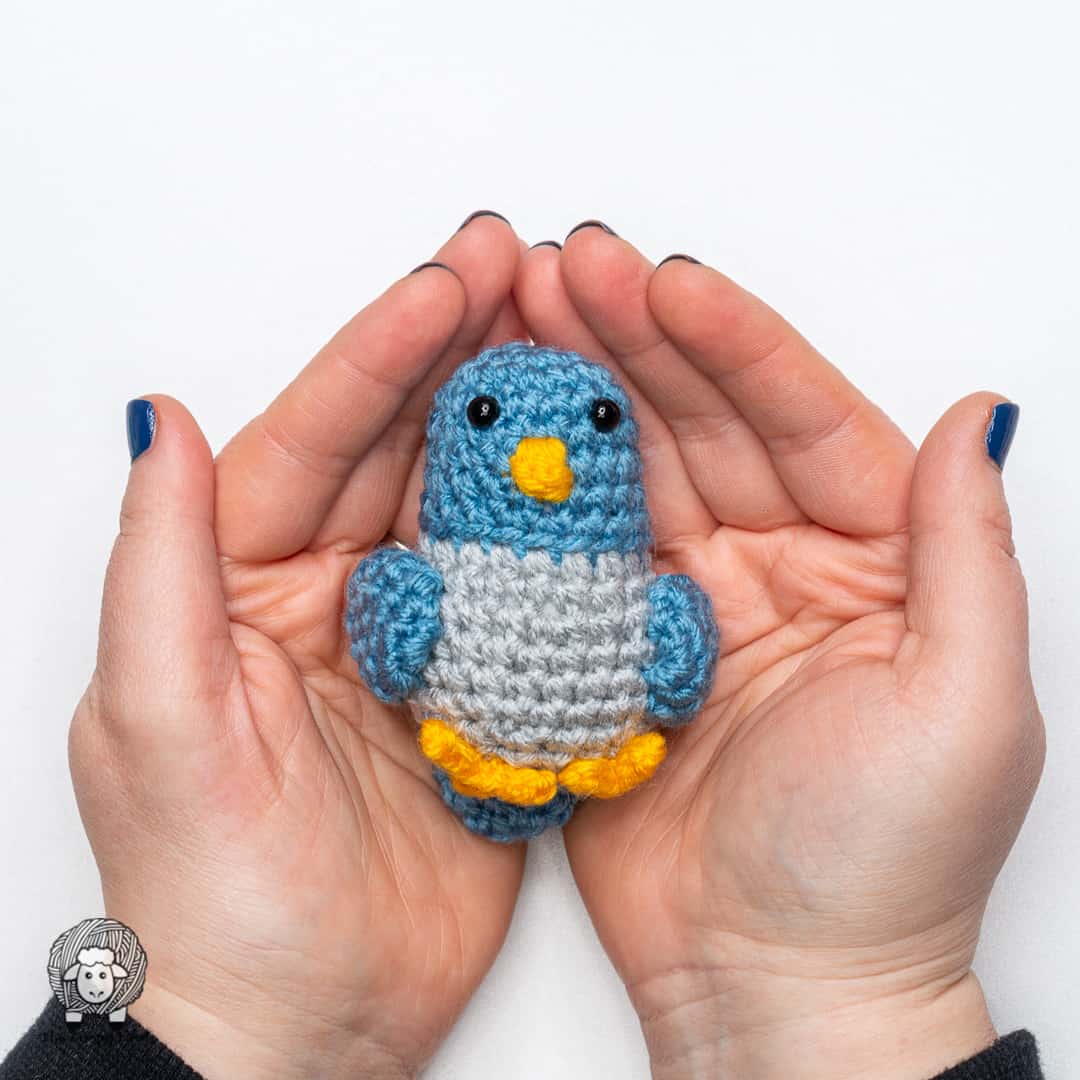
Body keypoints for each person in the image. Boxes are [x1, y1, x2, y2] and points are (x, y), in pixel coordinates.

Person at [0, 212, 1045, 1079]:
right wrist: (851, 1012)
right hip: (472, 754)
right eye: (494, 418)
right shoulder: (430, 579)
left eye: (597, 426)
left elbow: (670, 651)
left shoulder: (635, 594)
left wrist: (210, 1013)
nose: (546, 458)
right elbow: (395, 629)